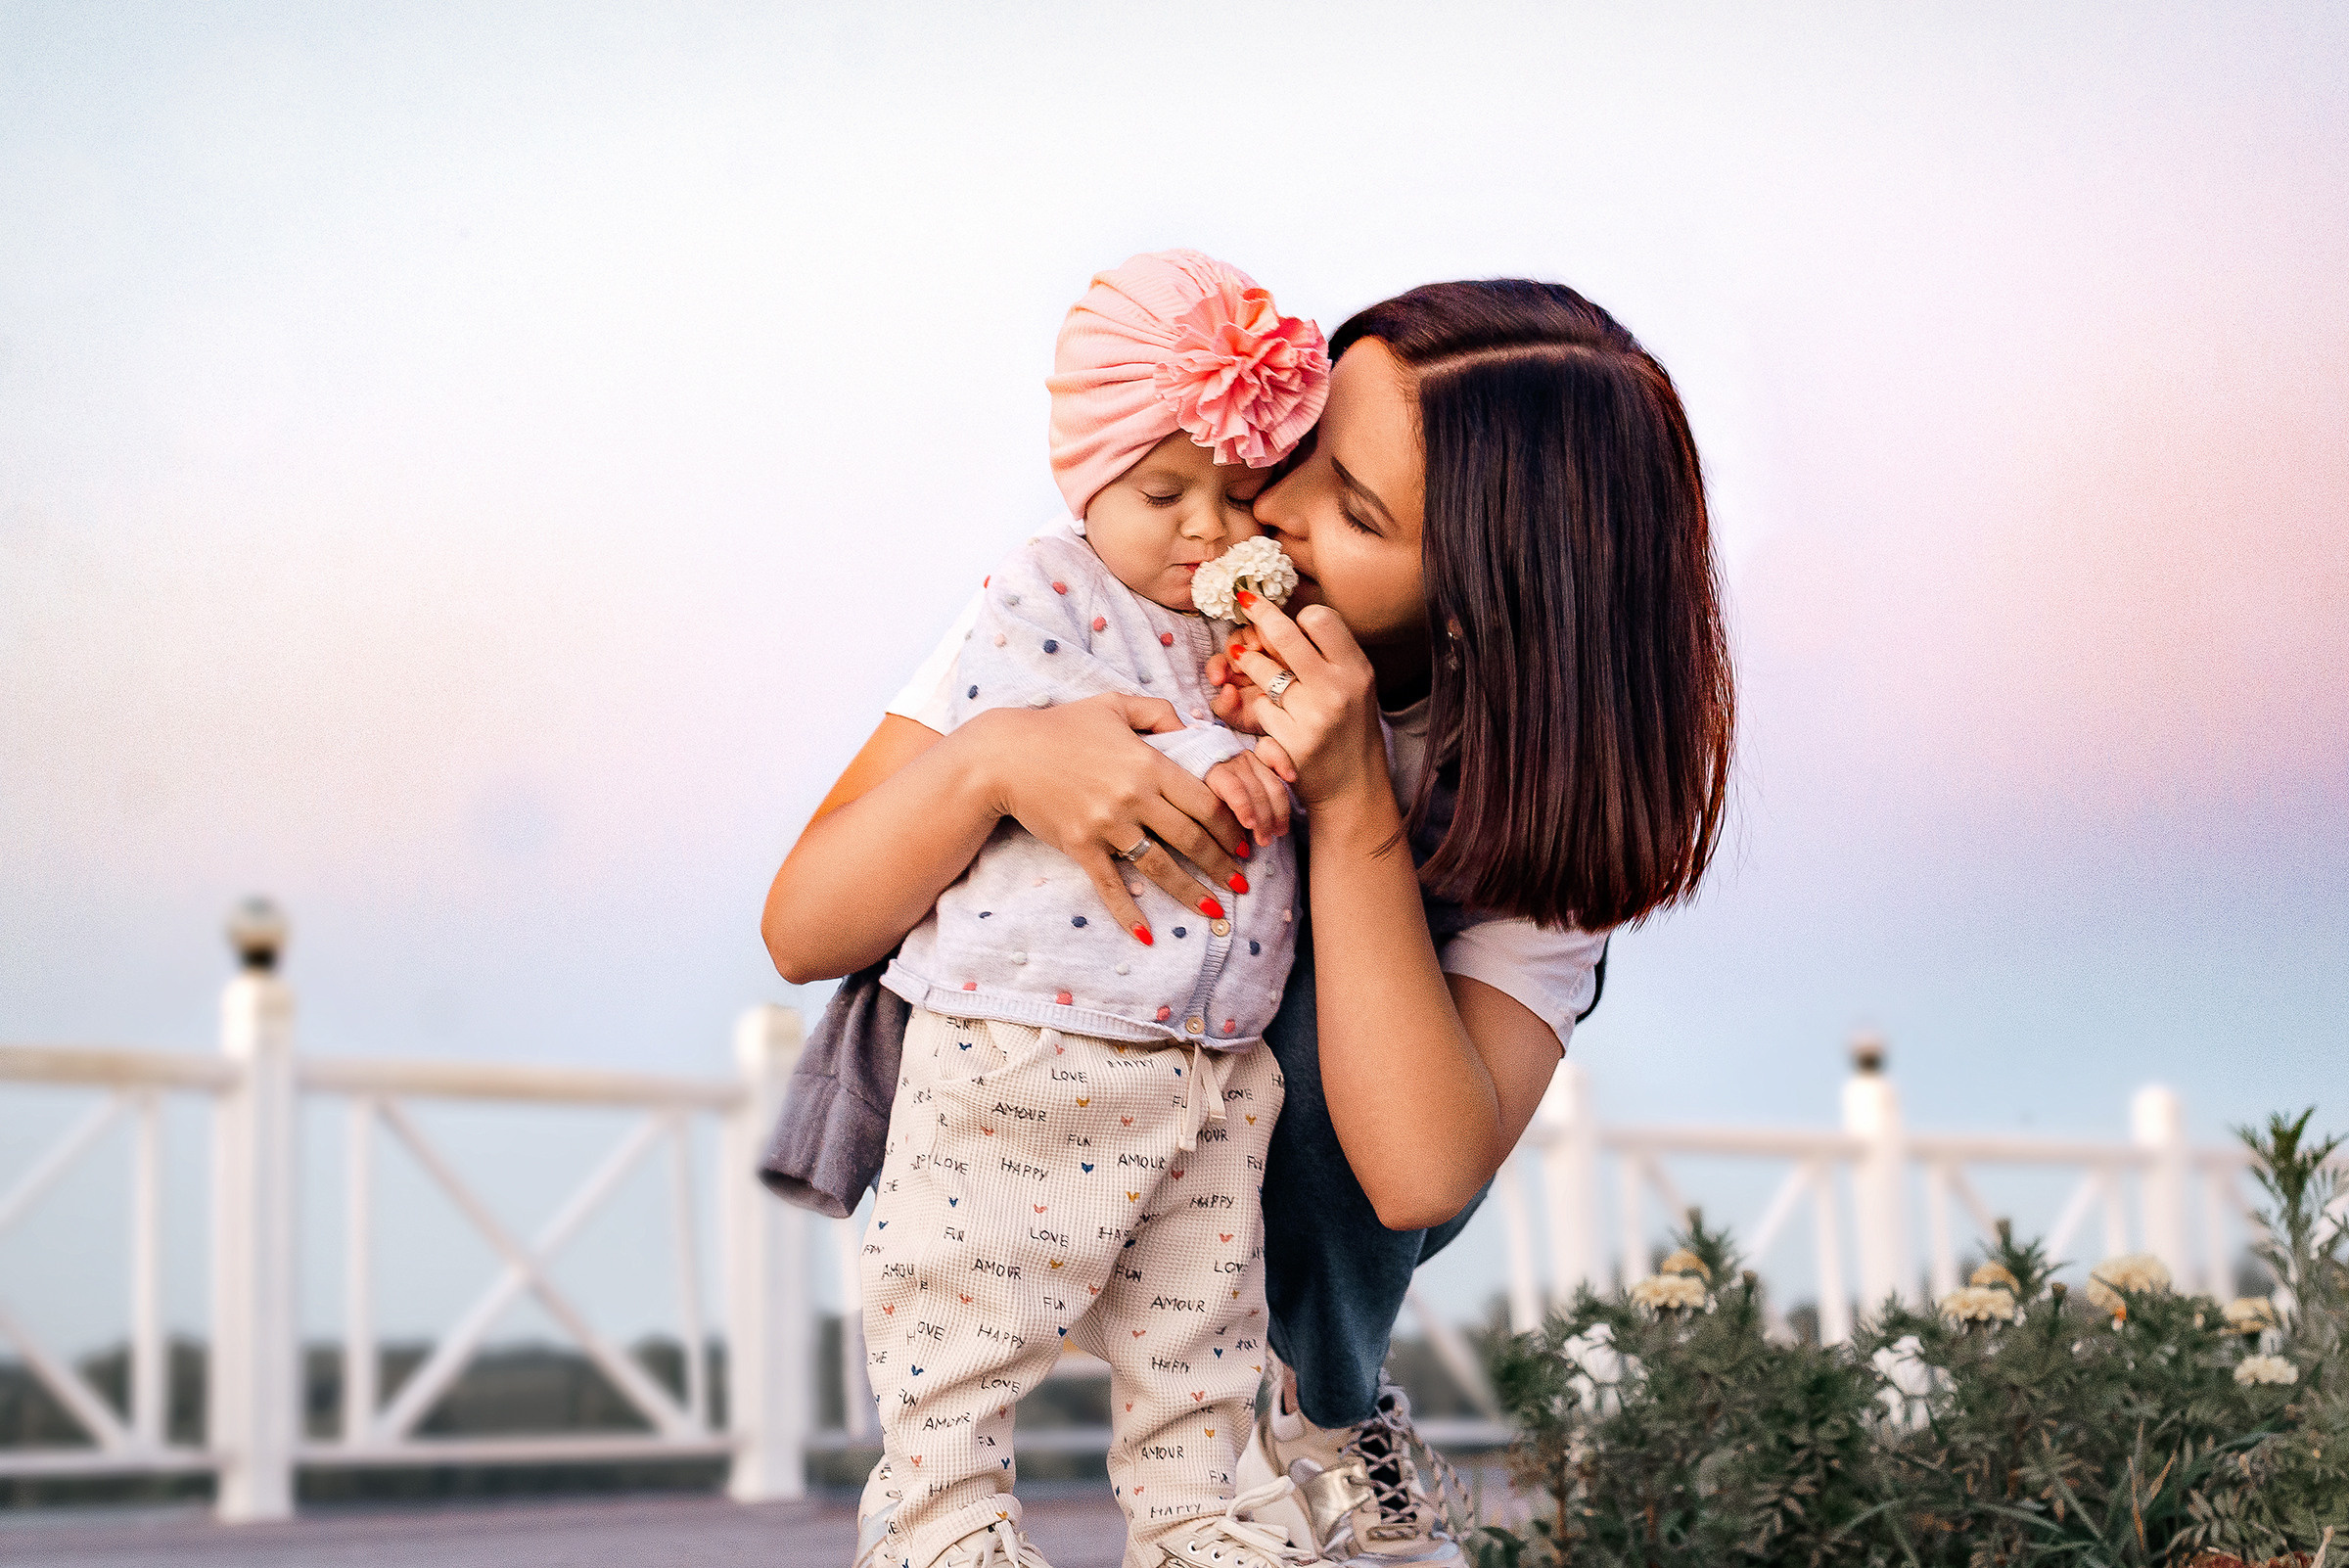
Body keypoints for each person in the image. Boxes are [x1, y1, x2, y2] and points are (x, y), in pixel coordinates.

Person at [764, 278, 1733, 1568]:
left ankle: (1319, 1412)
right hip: (1003, 1108)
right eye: (1304, 449)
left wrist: (1346, 801)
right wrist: (995, 762)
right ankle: (943, 1503)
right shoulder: (1099, 592)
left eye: (1358, 510)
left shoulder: (1533, 793)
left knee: (1353, 998)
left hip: (1251, 1184)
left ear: (1477, 596)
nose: (1266, 512)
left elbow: (1424, 1167)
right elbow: (803, 925)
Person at [827, 250, 1335, 1568]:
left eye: (1236, 498)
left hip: (1210, 1057)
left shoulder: (1259, 621)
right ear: (1089, 481)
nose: (1204, 531)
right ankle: (945, 1526)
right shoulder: (1043, 590)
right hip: (1024, 1037)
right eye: (1163, 493)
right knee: (967, 1298)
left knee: (1202, 1322)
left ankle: (1194, 1521)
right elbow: (1032, 718)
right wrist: (1223, 756)